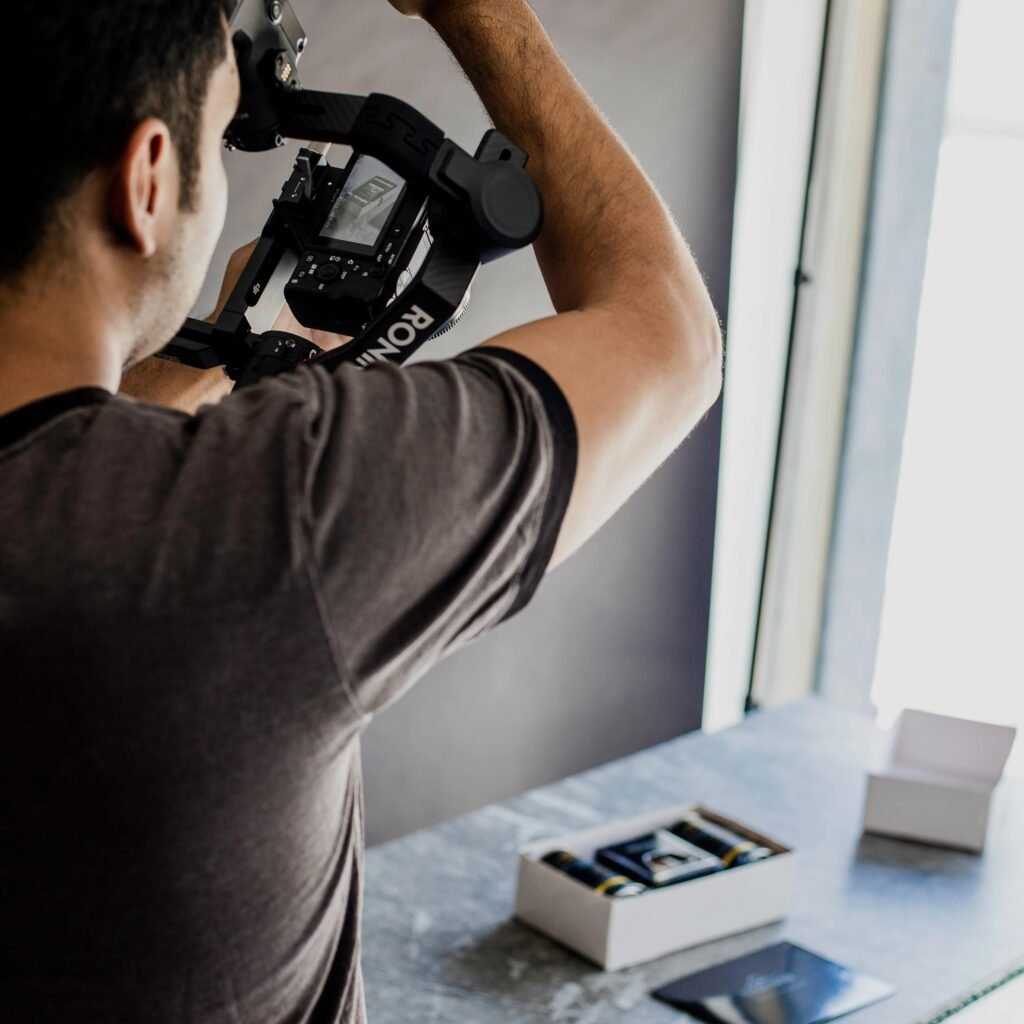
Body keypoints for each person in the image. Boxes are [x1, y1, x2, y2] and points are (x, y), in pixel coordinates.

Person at [0, 0, 722, 1020]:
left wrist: (217, 358)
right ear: (148, 178)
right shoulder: (270, 508)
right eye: (219, 133)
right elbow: (666, 339)